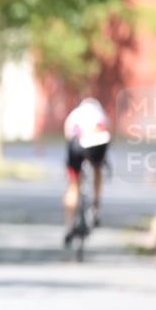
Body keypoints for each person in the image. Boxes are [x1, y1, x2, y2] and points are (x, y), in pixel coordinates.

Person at [62, 97, 111, 247]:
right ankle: (96, 207)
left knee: (73, 184)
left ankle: (69, 225)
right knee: (98, 168)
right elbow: (107, 133)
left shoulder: (74, 115)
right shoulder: (100, 113)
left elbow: (68, 136)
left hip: (76, 142)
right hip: (98, 141)